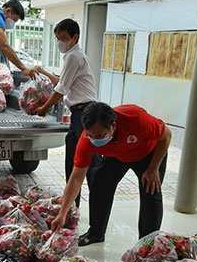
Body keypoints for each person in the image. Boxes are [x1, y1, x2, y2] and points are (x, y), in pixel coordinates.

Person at [50, 102, 172, 246]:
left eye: (100, 136)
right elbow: (76, 178)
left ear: (113, 126)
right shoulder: (87, 140)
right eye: (91, 136)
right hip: (117, 154)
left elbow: (166, 136)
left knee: (150, 192)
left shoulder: (136, 119)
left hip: (148, 154)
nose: (95, 140)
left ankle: (146, 245)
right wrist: (62, 214)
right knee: (100, 181)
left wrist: (153, 169)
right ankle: (96, 233)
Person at [32, 18, 99, 207]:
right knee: (73, 160)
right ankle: (71, 205)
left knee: (91, 163)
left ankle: (97, 203)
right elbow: (62, 81)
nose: (60, 42)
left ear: (74, 37)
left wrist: (44, 109)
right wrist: (43, 72)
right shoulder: (72, 56)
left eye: (63, 38)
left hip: (86, 114)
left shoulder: (74, 56)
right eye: (57, 38)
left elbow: (61, 89)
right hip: (78, 114)